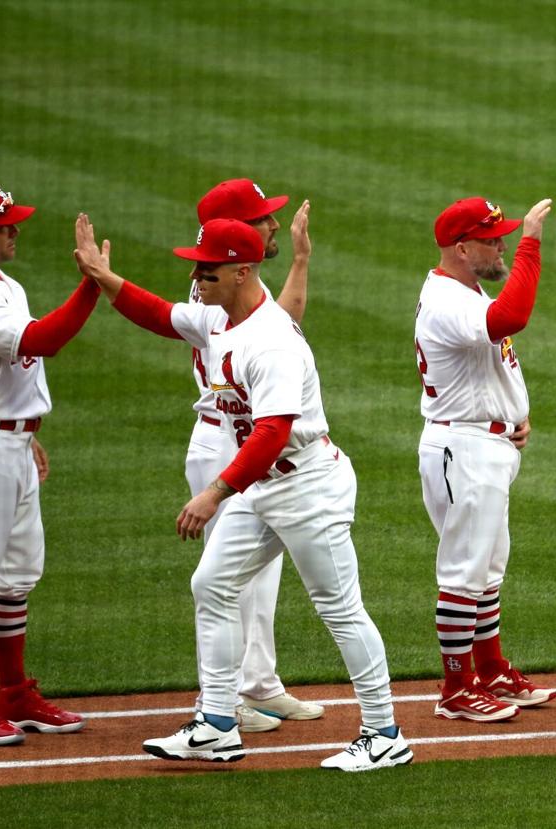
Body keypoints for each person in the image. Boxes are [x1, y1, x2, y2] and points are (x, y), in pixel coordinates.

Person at [73, 216, 411, 769]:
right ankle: (218, 725)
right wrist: (103, 276)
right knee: (212, 583)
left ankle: (384, 733)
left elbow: (274, 429)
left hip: (305, 485)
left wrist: (214, 493)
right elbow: (159, 314)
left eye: (208, 268)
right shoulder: (219, 316)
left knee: (339, 608)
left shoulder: (271, 339)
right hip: (261, 485)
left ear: (243, 271)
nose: (197, 275)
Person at [0, 182, 99, 745]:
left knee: (16, 579)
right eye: (3, 224)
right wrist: (92, 284)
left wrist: (28, 430)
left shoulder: (4, 282)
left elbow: (18, 366)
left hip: (9, 444)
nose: (15, 229)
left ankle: (13, 694)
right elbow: (44, 340)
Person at [185, 179, 324, 732]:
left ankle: (259, 683)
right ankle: (218, 698)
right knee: (224, 578)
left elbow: (284, 320)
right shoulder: (213, 285)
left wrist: (300, 261)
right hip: (226, 438)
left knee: (257, 578)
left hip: (241, 435)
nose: (271, 225)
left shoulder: (234, 277)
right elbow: (277, 329)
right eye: (262, 219)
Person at [415, 196, 555, 722]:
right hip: (464, 449)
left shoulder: (464, 290)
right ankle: (456, 689)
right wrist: (532, 246)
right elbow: (513, 314)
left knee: (488, 569)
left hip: (483, 443)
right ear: (460, 247)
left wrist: (513, 413)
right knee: (464, 572)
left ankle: (491, 668)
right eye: (492, 238)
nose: (502, 244)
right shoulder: (449, 299)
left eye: (505, 236)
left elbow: (492, 361)